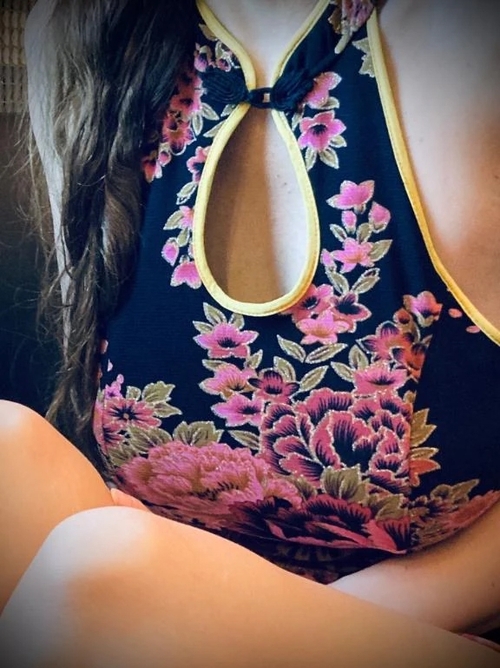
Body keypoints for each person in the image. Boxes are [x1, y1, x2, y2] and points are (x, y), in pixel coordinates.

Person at [0, 0, 499, 665]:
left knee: (104, 567)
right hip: (145, 597)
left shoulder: (467, 42)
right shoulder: (87, 37)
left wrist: (263, 631)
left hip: (417, 627)